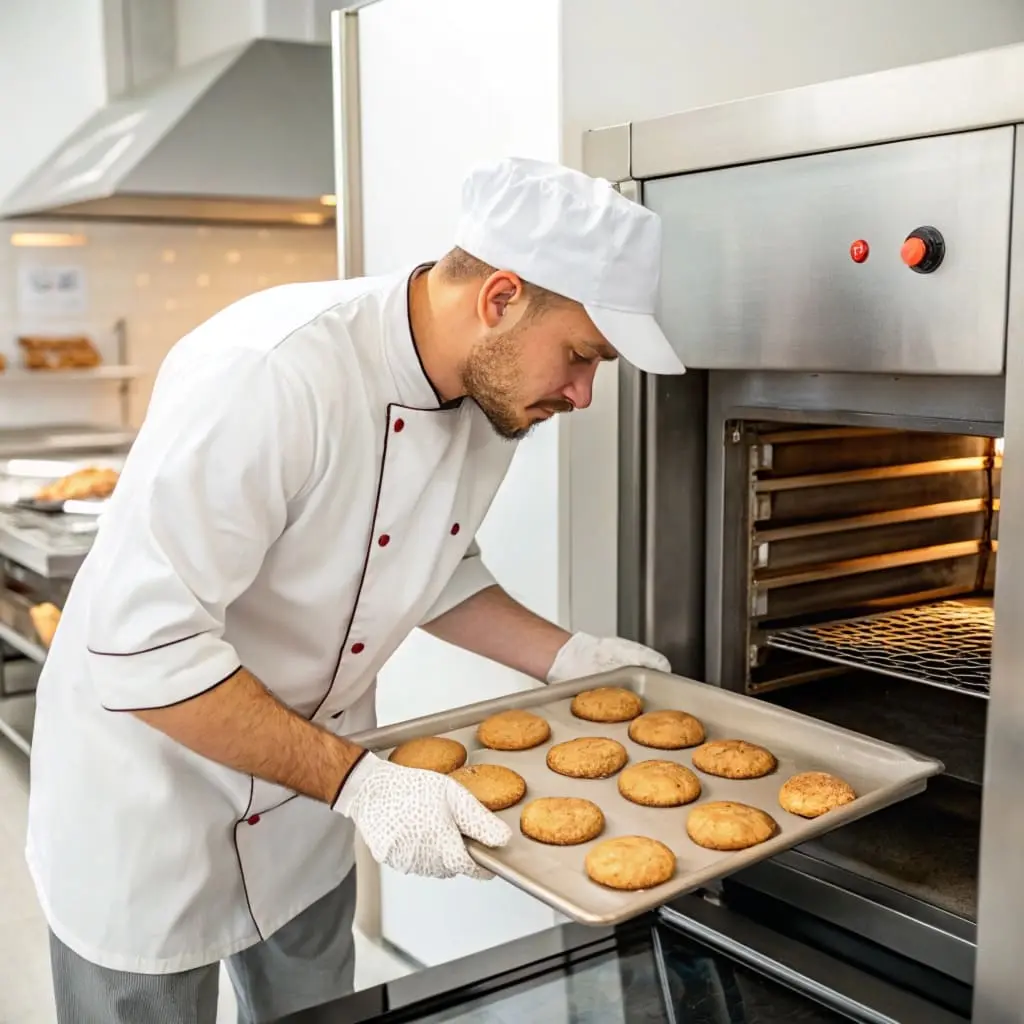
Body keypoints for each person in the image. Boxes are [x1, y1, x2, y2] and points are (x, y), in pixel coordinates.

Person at [27, 156, 687, 1023]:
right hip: (153, 800)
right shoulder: (271, 373)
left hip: (307, 804)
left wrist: (570, 656)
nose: (583, 392)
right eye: (580, 355)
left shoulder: (492, 399)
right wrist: (363, 785)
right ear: (500, 298)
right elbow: (143, 649)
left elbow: (431, 563)